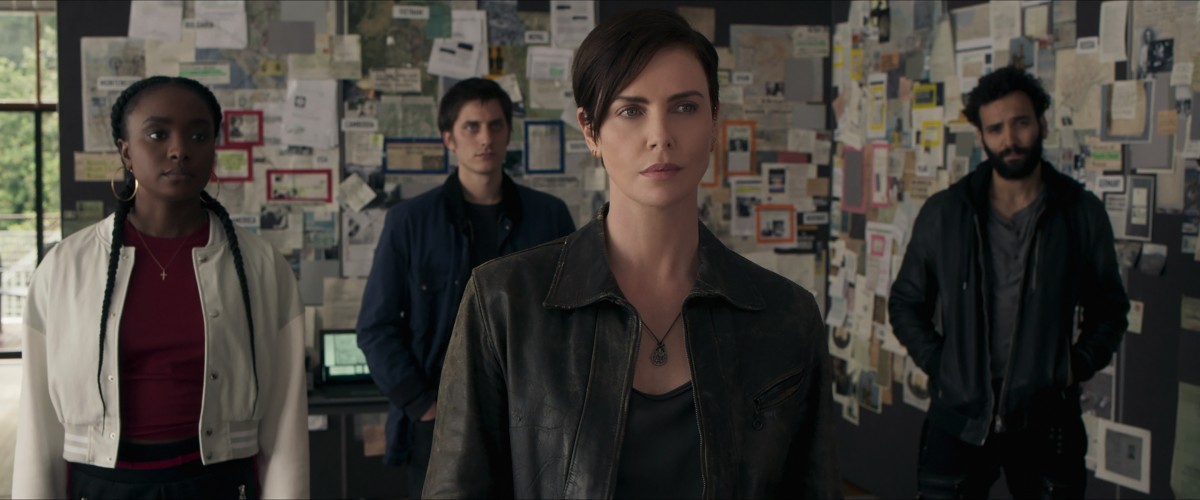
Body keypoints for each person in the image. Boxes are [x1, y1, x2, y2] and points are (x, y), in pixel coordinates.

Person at [423, 9, 839, 499]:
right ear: (590, 130)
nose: (660, 135)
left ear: (714, 122)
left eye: (685, 107)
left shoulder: (786, 315)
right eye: (630, 110)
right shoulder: (503, 302)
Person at [13, 76, 309, 499]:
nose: (179, 149)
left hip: (220, 485)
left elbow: (285, 423)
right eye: (157, 134)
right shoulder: (65, 268)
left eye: (198, 135)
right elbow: (39, 426)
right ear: (126, 152)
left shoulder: (262, 267)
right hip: (104, 487)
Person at [889, 65, 1130, 498]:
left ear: (1042, 124)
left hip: (1047, 420)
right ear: (981, 136)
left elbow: (1109, 308)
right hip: (958, 419)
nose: (1010, 139)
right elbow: (906, 302)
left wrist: (1073, 366)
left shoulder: (1080, 212)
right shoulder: (946, 212)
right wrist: (944, 366)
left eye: (1020, 123)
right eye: (996, 129)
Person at [356, 77, 576, 499]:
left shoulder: (549, 216)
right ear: (449, 139)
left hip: (533, 420)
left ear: (508, 133)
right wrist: (423, 406)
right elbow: (375, 328)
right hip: (438, 421)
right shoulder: (409, 222)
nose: (485, 138)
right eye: (472, 127)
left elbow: (575, 318)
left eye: (495, 125)